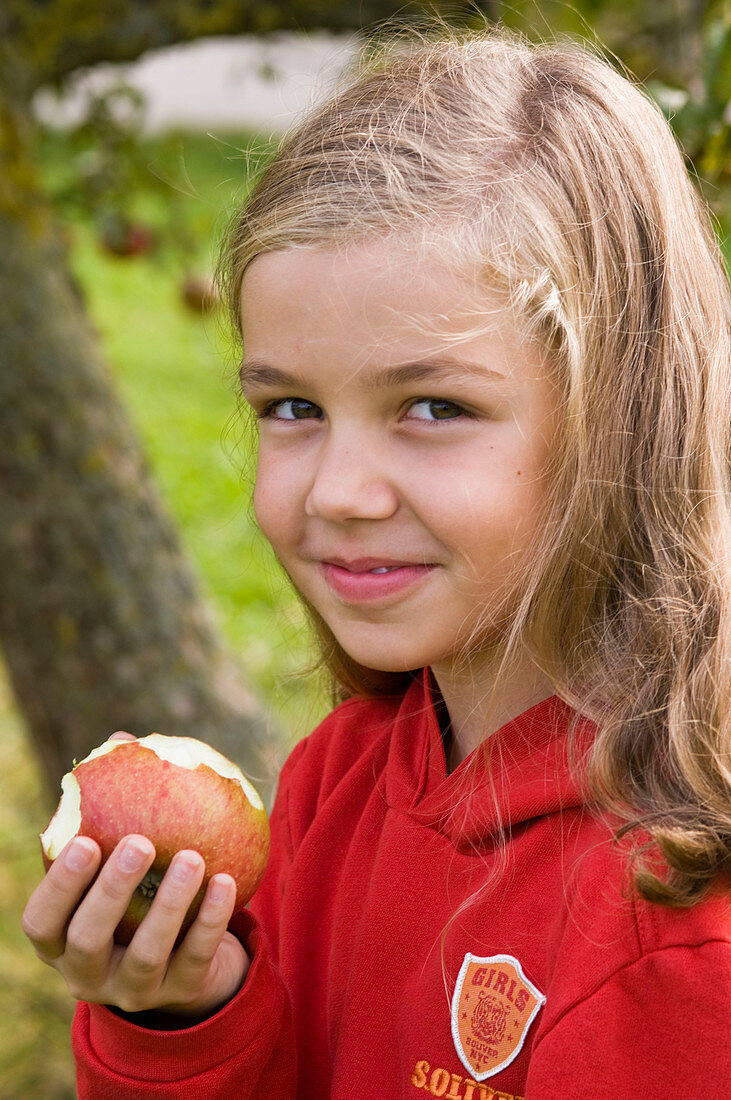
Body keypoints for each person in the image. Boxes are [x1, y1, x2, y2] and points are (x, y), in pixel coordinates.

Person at [22, 24, 731, 1100]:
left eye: (433, 406)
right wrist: (184, 1012)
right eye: (292, 407)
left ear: (619, 423)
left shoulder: (675, 929)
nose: (336, 491)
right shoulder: (338, 782)